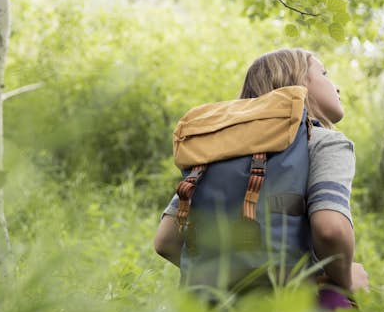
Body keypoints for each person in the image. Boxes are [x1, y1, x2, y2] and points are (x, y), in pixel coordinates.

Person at [154, 48, 369, 295]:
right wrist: (343, 282)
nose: (336, 87)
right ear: (300, 83)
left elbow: (166, 241)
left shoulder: (221, 149)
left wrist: (229, 282)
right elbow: (331, 230)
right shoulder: (325, 142)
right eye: (324, 73)